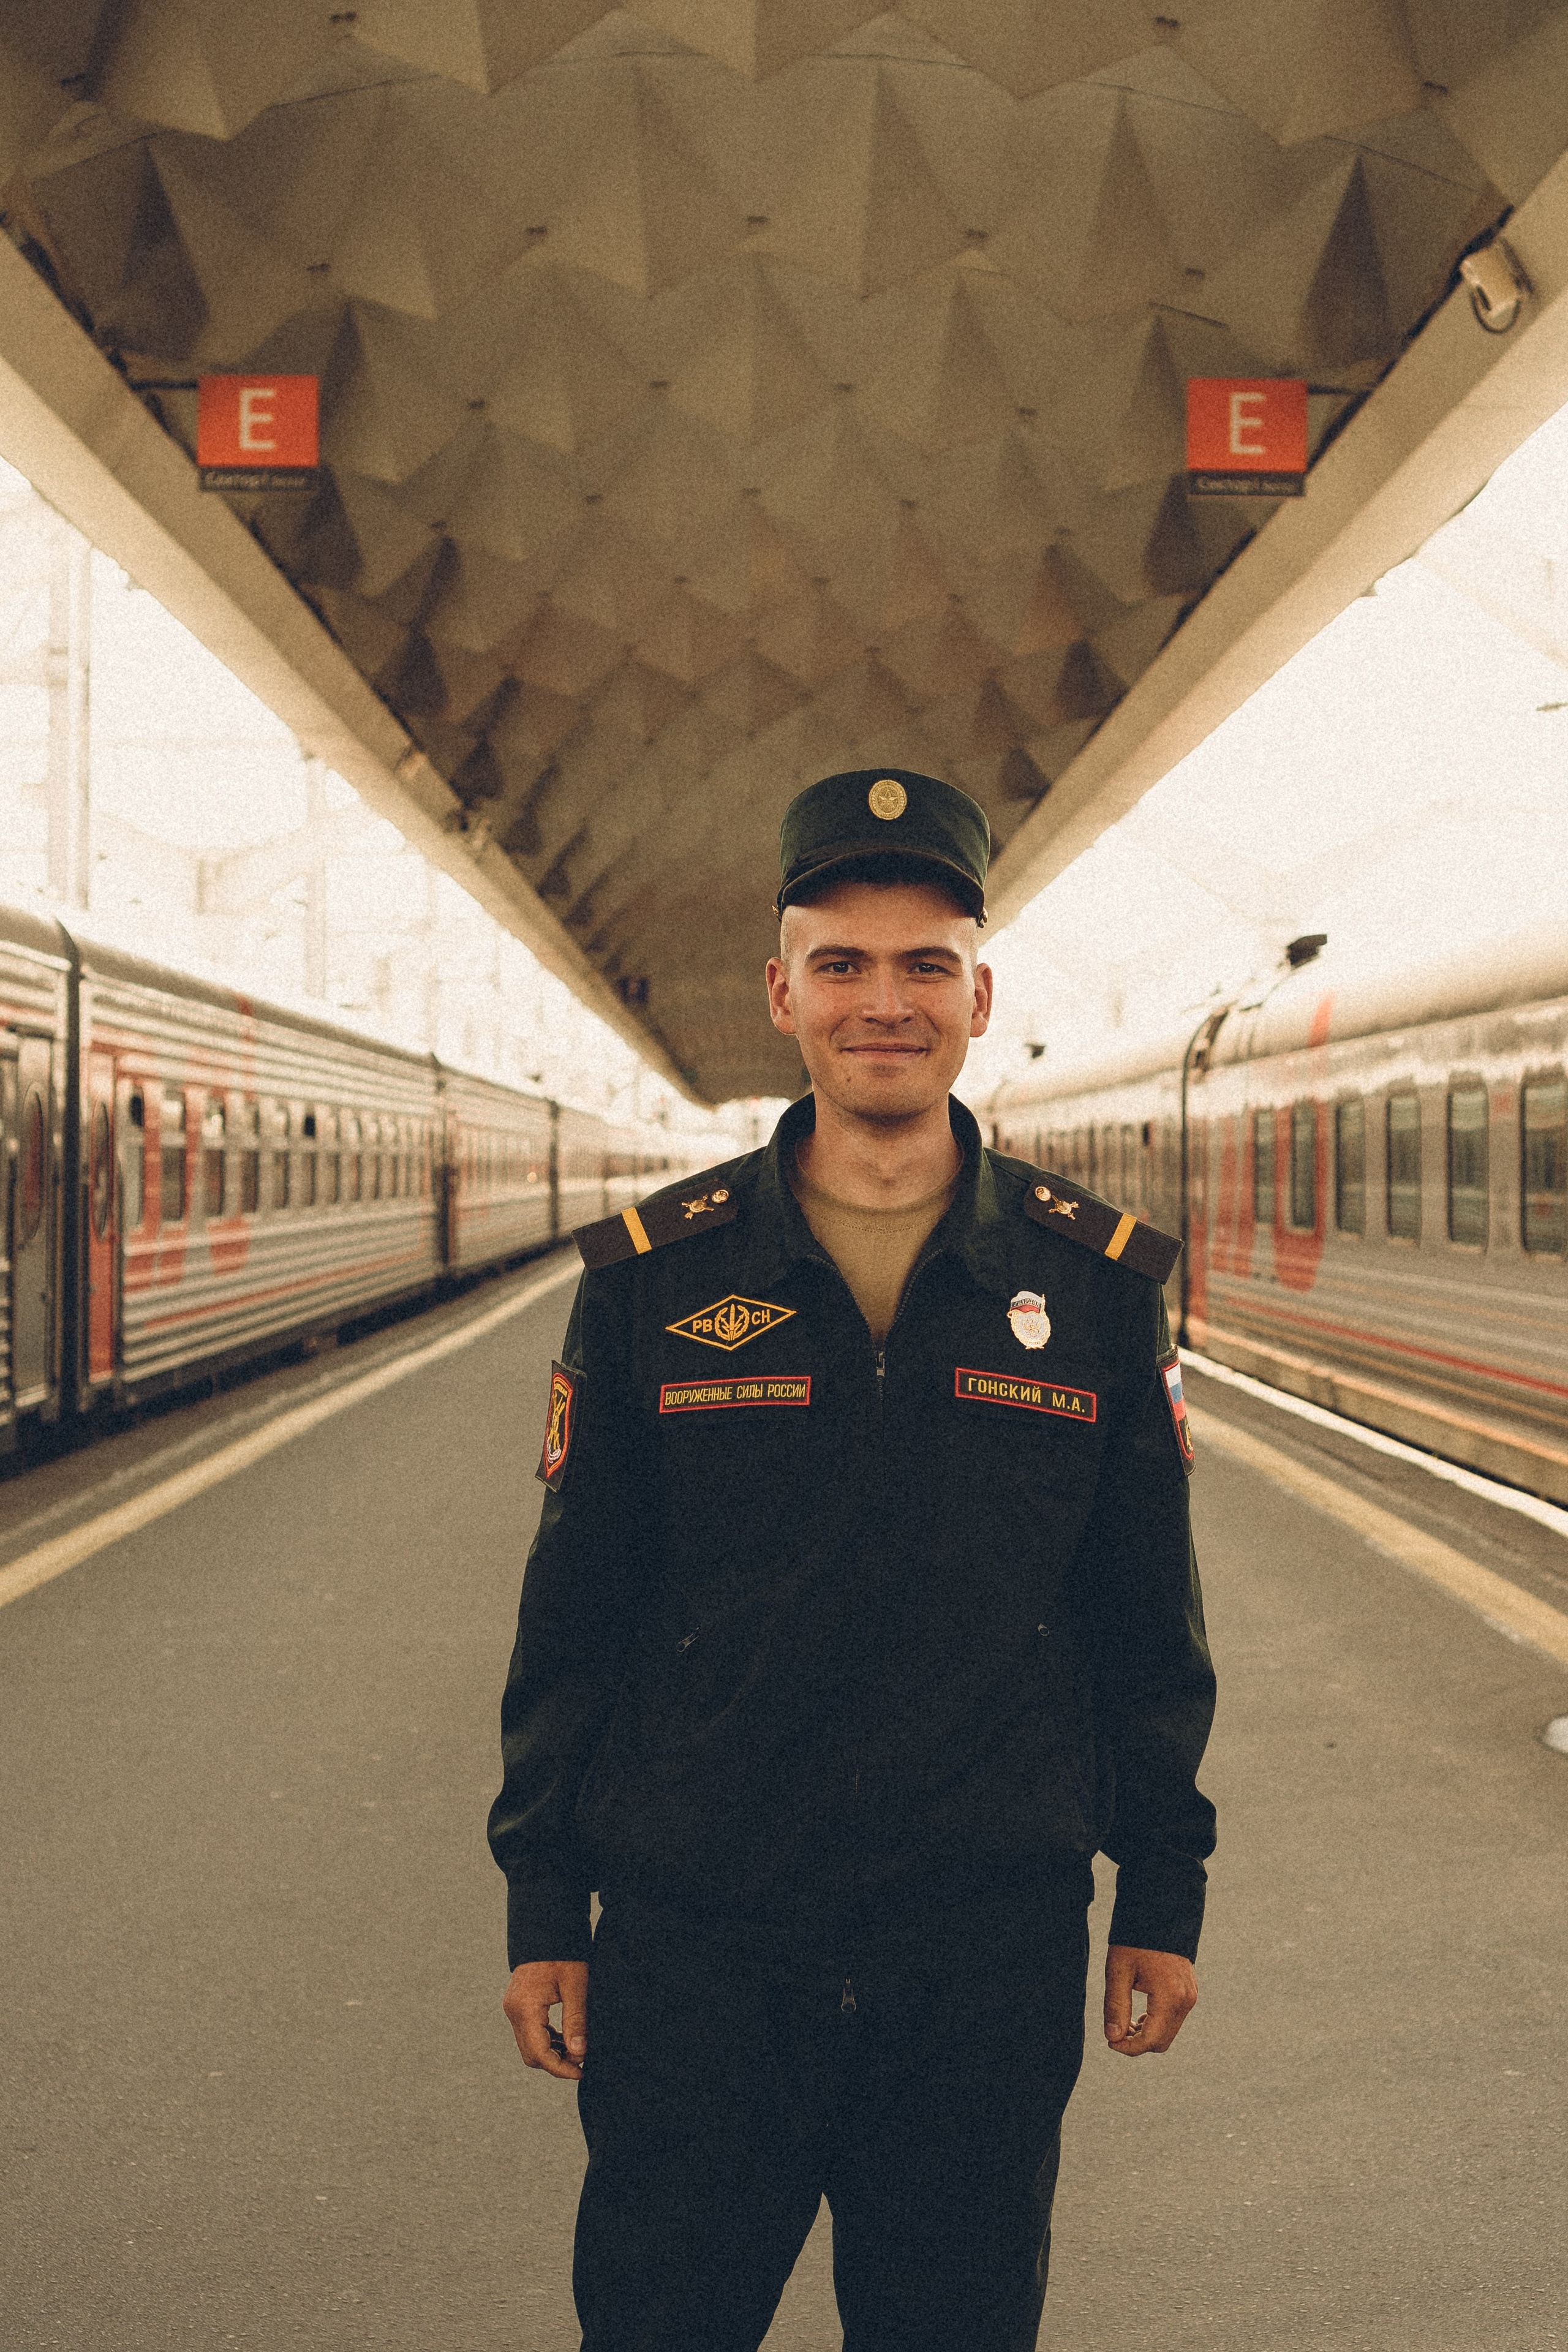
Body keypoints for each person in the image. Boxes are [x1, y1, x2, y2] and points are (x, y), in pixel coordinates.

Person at [489, 766, 1216, 2352]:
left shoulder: (1091, 1286)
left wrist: (1164, 1882)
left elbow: (1142, 1619)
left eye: (923, 966)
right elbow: (580, 1613)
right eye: (843, 964)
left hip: (983, 1962)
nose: (883, 1003)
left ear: (979, 996)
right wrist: (546, 1898)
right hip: (699, 1957)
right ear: (781, 994)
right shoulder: (650, 1287)